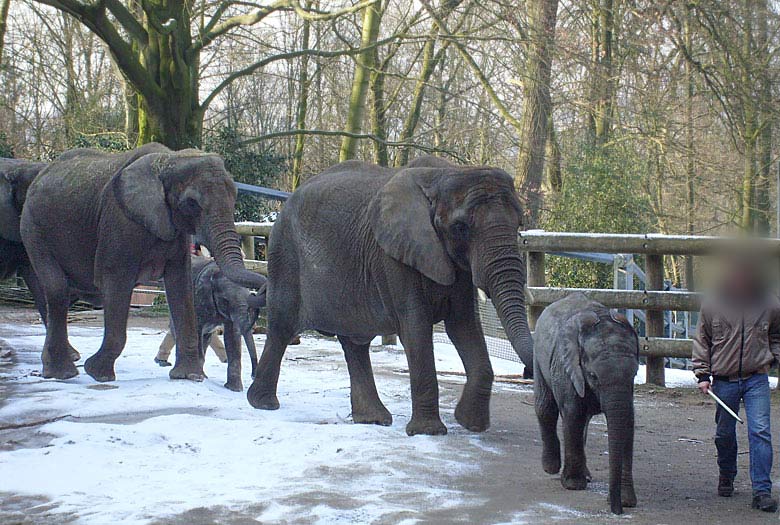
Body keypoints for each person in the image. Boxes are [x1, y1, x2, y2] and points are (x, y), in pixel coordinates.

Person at [692, 257, 779, 513]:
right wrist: (702, 374)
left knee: (761, 431)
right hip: (724, 380)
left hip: (756, 378)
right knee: (724, 434)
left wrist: (773, 358)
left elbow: (776, 334)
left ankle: (762, 490)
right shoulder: (712, 303)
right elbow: (702, 340)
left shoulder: (770, 303)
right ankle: (726, 474)